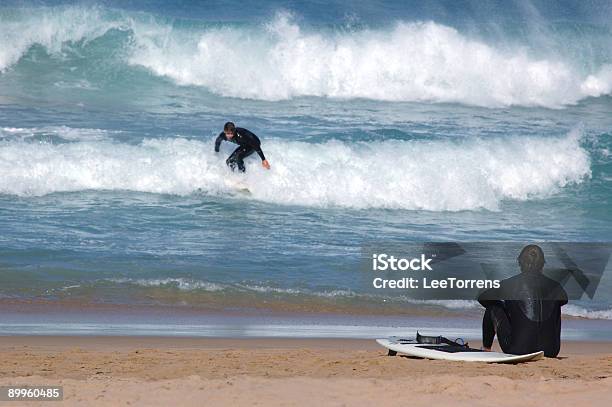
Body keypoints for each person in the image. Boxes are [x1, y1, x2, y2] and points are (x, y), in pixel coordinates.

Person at [478, 245, 568, 357]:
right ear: (542, 264)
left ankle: (486, 349)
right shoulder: (556, 286)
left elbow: (482, 298)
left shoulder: (509, 284)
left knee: (494, 306)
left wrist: (507, 309)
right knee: (555, 304)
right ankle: (545, 342)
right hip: (551, 350)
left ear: (520, 263)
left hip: (518, 349)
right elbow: (564, 300)